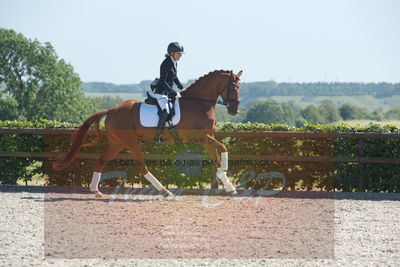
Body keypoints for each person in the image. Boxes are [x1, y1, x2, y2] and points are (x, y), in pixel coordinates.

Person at [153, 42, 184, 143]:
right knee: (166, 111)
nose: (180, 56)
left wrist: (181, 88)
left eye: (181, 54)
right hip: (161, 93)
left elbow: (174, 77)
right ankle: (157, 136)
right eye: (179, 54)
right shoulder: (166, 63)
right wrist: (172, 91)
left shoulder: (174, 62)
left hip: (167, 92)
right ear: (172, 53)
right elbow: (163, 81)